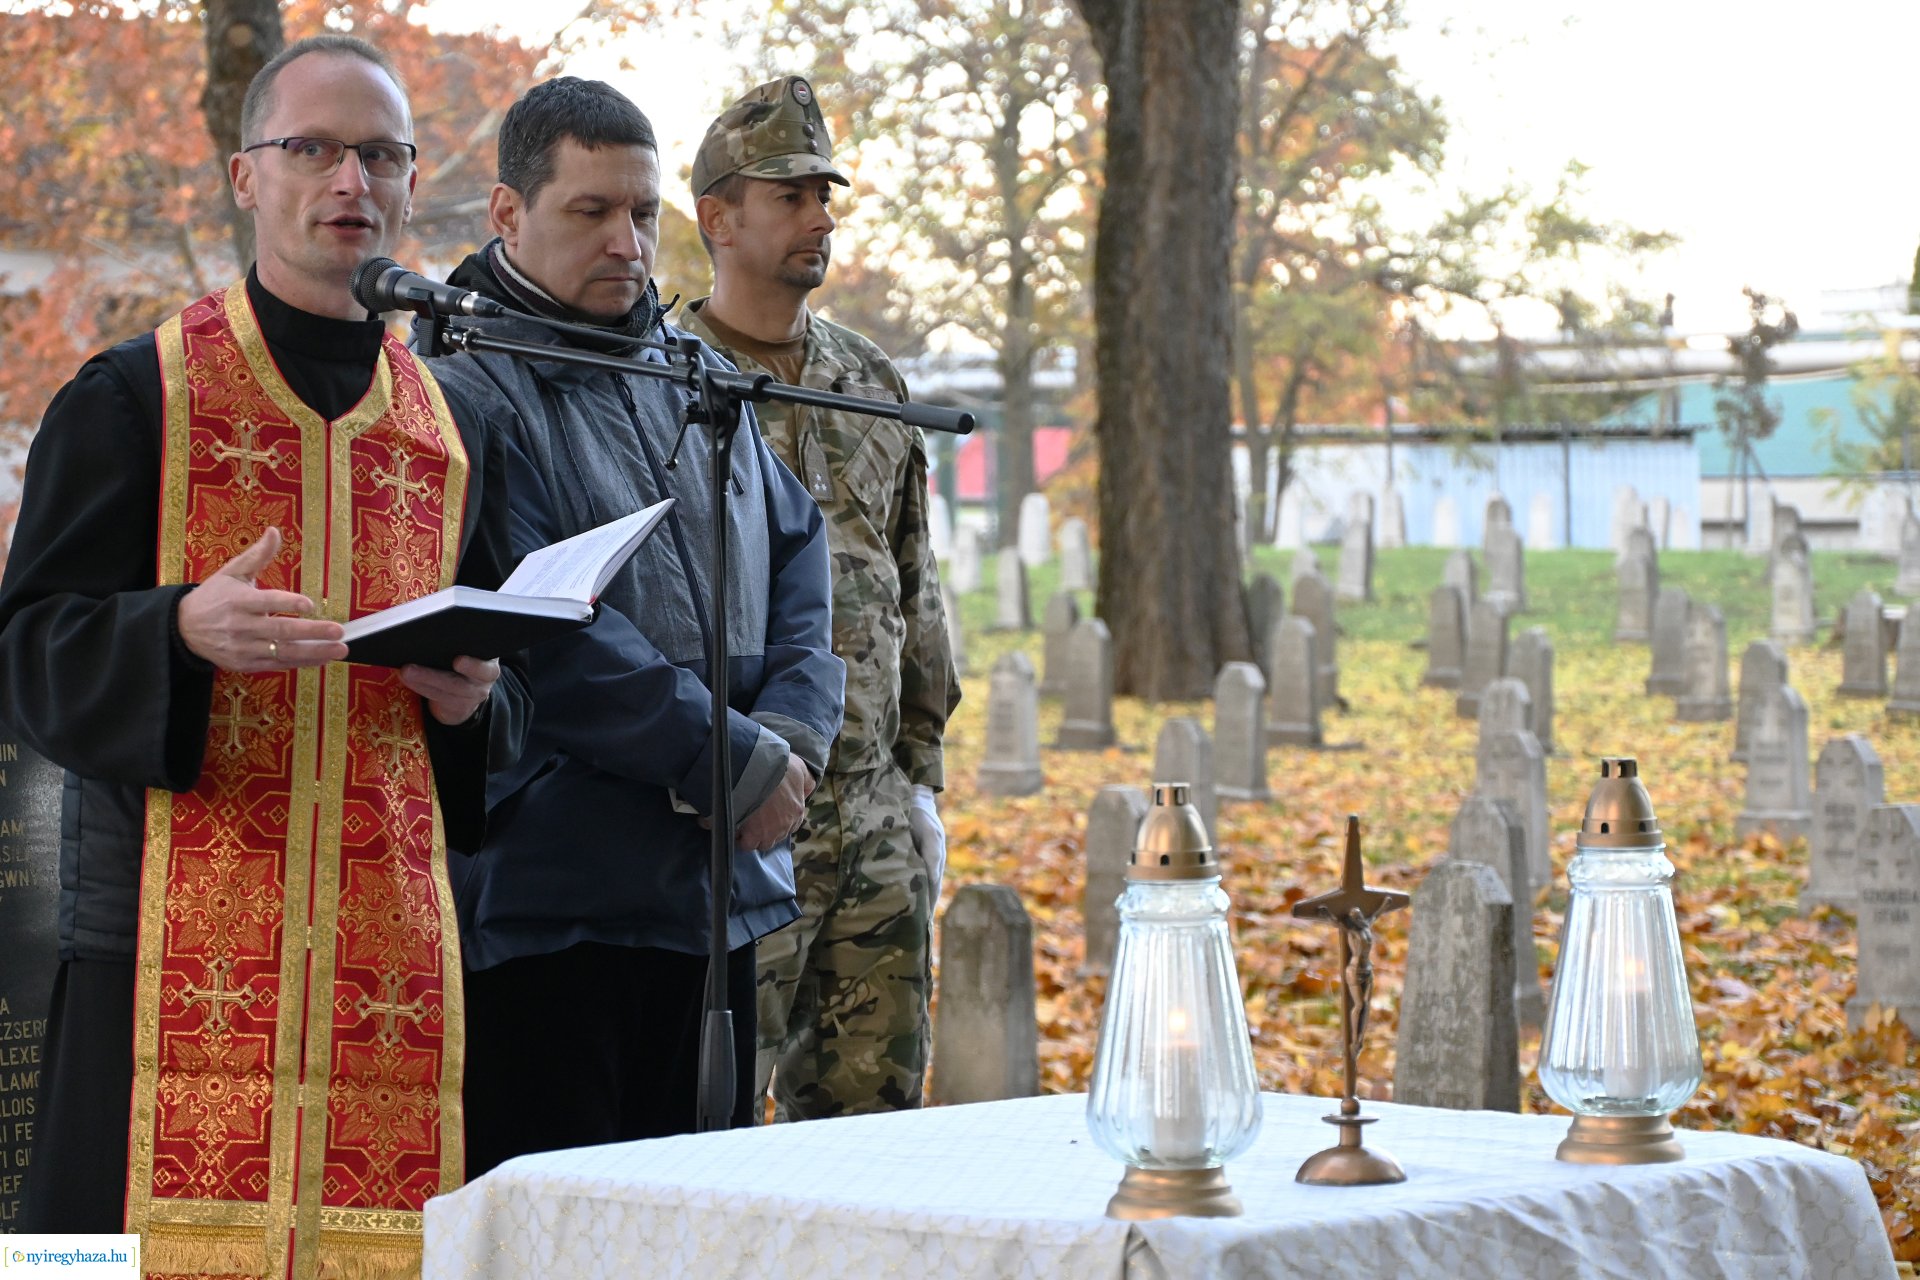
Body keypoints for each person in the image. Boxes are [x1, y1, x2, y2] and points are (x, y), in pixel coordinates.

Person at [0, 35, 529, 1271]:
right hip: (147, 957)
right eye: (316, 149)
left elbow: (512, 701)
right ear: (247, 176)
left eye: (382, 154)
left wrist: (478, 702)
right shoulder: (135, 393)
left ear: (408, 186)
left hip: (390, 967)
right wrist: (173, 628)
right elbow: (25, 652)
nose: (352, 180)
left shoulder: (454, 428)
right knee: (91, 1256)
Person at [419, 77, 843, 1173]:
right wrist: (727, 754)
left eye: (644, 213)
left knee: (707, 1227)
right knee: (570, 1228)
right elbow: (545, 631)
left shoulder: (698, 375)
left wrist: (786, 740)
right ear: (508, 214)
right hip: (560, 903)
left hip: (717, 895)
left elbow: (799, 552)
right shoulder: (462, 393)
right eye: (591, 211)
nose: (627, 241)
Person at [685, 76, 958, 1121]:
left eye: (824, 194)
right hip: (745, 811)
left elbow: (912, 582)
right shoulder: (671, 378)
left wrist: (921, 778)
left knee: (871, 1125)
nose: (821, 217)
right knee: (705, 1125)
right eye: (790, 194)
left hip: (876, 818)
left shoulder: (868, 377)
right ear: (719, 218)